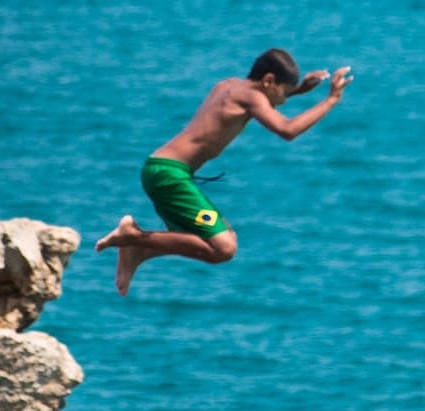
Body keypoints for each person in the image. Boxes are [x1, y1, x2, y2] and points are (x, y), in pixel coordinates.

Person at [95, 48, 354, 295]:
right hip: (171, 178)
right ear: (268, 80)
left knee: (211, 241)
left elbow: (263, 104)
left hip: (162, 172)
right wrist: (331, 100)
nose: (284, 101)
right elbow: (287, 130)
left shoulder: (229, 87)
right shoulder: (251, 98)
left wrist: (297, 91)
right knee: (225, 247)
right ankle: (134, 238)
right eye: (283, 94)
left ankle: (140, 249)